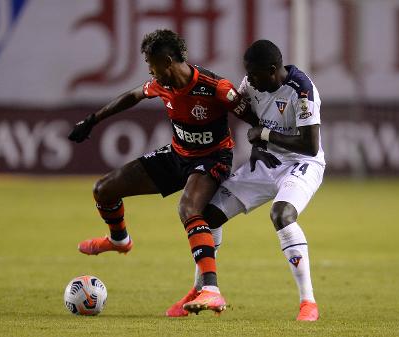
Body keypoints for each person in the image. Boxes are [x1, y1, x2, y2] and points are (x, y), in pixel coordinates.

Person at [67, 29, 262, 316]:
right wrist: (92, 120)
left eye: (151, 63)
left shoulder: (216, 87)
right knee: (104, 189)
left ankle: (211, 289)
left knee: (188, 208)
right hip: (177, 154)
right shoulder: (162, 84)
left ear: (167, 60)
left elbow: (253, 118)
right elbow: (132, 96)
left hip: (213, 159)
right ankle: (120, 240)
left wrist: (270, 143)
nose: (149, 71)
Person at [167, 40, 324, 321]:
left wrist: (264, 136)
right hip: (265, 163)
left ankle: (308, 303)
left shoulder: (302, 90)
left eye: (253, 74)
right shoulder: (251, 84)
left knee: (282, 214)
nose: (248, 79)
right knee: (208, 216)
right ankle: (201, 290)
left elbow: (310, 145)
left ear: (273, 70)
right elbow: (237, 109)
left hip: (302, 163)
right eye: (247, 73)